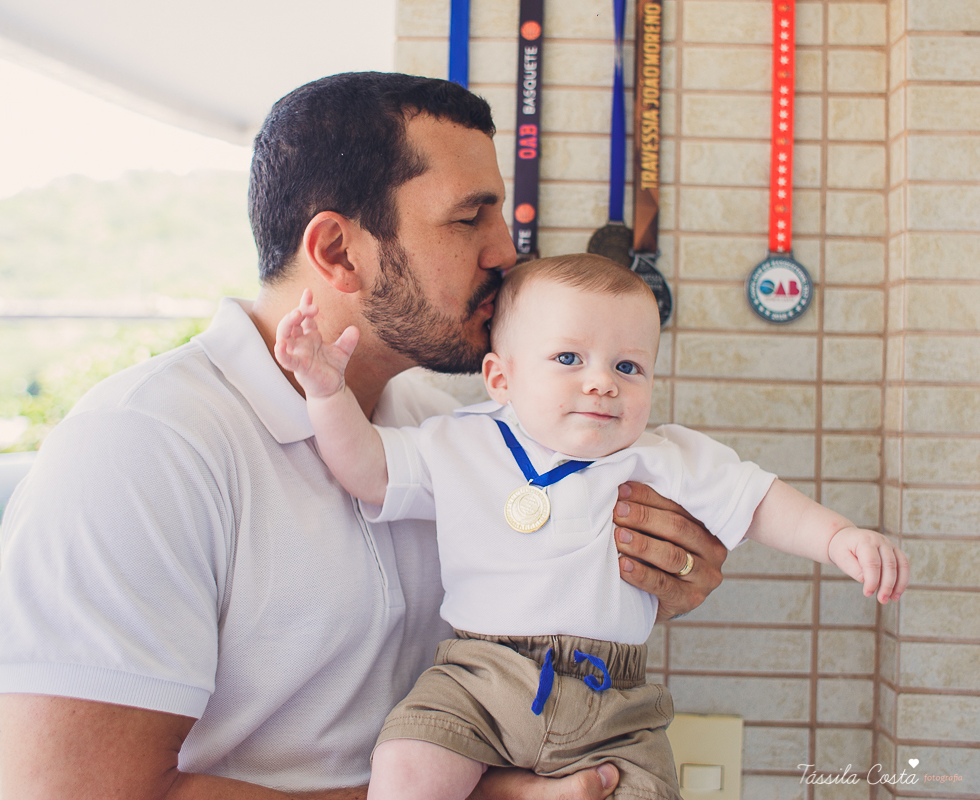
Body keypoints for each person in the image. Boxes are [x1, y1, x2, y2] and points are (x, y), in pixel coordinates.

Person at [0, 73, 731, 800]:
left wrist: (651, 577)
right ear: (339, 252)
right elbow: (76, 791)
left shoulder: (434, 423)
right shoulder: (140, 450)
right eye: (470, 218)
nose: (508, 253)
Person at [273, 253, 910, 800]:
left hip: (615, 700)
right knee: (406, 764)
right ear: (502, 377)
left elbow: (761, 500)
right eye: (570, 358)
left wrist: (837, 538)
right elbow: (371, 471)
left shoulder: (664, 457)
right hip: (476, 682)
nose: (602, 383)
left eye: (628, 368)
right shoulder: (459, 442)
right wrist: (327, 394)